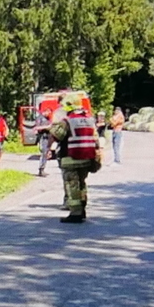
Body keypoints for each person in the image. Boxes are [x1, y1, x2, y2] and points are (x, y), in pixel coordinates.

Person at [49, 94, 100, 223]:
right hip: (87, 158)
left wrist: (52, 129)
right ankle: (82, 209)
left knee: (72, 186)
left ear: (69, 106)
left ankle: (75, 213)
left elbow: (57, 135)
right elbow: (96, 140)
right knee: (82, 184)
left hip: (71, 158)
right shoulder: (90, 120)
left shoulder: (68, 121)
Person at [35, 107, 54, 177]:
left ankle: (43, 169)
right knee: (43, 153)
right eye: (49, 113)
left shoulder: (47, 119)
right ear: (46, 111)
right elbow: (37, 128)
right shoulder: (39, 118)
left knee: (46, 154)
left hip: (48, 137)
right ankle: (41, 170)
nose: (49, 114)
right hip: (42, 137)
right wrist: (46, 127)